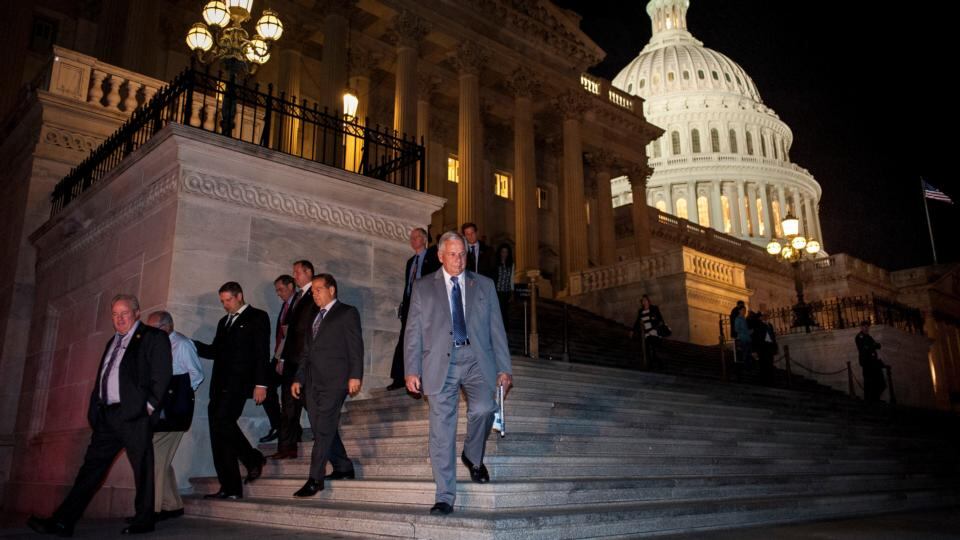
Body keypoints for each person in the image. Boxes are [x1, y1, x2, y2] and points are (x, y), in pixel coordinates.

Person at [27, 294, 172, 536]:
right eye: (115, 314)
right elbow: (104, 376)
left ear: (137, 312)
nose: (119, 318)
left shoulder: (152, 337)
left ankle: (144, 520)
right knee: (90, 471)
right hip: (107, 417)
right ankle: (63, 522)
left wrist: (147, 408)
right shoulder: (112, 342)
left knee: (143, 469)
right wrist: (95, 409)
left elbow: (162, 374)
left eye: (124, 313)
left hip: (135, 416)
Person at [404, 231, 514, 515]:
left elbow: (496, 329)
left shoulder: (484, 285)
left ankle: (472, 455)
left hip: (477, 359)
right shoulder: (423, 287)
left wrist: (504, 367)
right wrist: (411, 369)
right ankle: (444, 495)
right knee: (442, 432)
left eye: (462, 254)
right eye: (452, 254)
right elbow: (413, 331)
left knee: (484, 408)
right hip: (440, 363)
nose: (459, 260)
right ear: (440, 256)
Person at [194, 282, 270, 499]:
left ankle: (253, 458)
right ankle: (230, 487)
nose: (225, 305)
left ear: (240, 296)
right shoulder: (223, 322)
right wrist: (191, 344)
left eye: (228, 300)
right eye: (222, 301)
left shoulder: (258, 316)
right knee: (218, 435)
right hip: (218, 386)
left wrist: (261, 384)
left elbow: (261, 352)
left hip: (239, 385)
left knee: (224, 422)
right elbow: (215, 351)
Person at [290, 273, 364, 497]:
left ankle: (315, 479)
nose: (314, 295)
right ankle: (343, 467)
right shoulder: (314, 315)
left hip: (336, 381)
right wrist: (298, 378)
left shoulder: (347, 312)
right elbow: (306, 352)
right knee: (320, 427)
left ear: (331, 290)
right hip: (313, 382)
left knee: (322, 429)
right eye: (312, 291)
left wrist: (355, 375)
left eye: (318, 290)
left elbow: (355, 346)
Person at [145, 311, 204, 522]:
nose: (151, 332)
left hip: (174, 412)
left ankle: (154, 508)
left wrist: (180, 396)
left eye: (155, 328)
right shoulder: (158, 345)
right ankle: (172, 504)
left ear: (167, 326)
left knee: (156, 460)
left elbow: (196, 374)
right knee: (160, 459)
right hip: (160, 411)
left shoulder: (182, 344)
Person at [273, 260, 317, 459]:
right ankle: (286, 448)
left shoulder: (315, 292)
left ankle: (324, 436)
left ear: (308, 272)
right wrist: (281, 358)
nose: (295, 275)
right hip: (290, 358)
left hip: (305, 357)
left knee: (309, 401)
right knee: (287, 404)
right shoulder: (297, 296)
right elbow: (288, 332)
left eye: (297, 272)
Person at [388, 227, 440, 391]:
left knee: (425, 339)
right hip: (411, 304)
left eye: (417, 237)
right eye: (411, 237)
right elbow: (408, 286)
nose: (413, 240)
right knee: (405, 338)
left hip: (427, 303)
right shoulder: (410, 261)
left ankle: (424, 376)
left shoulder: (433, 257)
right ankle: (399, 377)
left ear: (425, 239)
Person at [260, 274, 296, 443]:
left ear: (291, 287)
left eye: (281, 290)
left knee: (290, 397)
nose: (278, 294)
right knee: (263, 385)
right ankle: (278, 425)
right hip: (278, 355)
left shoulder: (298, 304)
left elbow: (291, 335)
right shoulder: (285, 306)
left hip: (288, 357)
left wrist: (282, 358)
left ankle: (289, 430)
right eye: (276, 291)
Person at [629, 295, 666, 368]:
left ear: (648, 301)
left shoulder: (654, 308)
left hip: (653, 331)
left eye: (645, 300)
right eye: (642, 301)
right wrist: (632, 330)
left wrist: (658, 328)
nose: (644, 302)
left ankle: (658, 362)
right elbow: (637, 321)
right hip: (645, 332)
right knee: (646, 348)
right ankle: (649, 364)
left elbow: (660, 319)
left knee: (653, 347)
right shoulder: (641, 311)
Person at [855, 321, 886, 402]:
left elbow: (877, 346)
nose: (866, 328)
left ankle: (875, 398)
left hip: (873, 362)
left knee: (879, 381)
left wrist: (872, 346)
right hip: (867, 362)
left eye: (867, 326)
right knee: (869, 381)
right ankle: (869, 399)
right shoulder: (859, 337)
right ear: (861, 327)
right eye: (865, 326)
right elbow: (865, 348)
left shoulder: (869, 337)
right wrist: (872, 346)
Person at [752, 311, 777, 385]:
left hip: (769, 346)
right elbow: (755, 338)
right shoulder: (758, 325)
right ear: (761, 317)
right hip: (762, 347)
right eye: (764, 316)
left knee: (770, 364)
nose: (765, 317)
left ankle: (770, 381)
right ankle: (764, 381)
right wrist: (754, 350)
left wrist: (775, 347)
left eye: (766, 316)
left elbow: (773, 337)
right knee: (763, 365)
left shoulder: (770, 325)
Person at [494, 243, 515, 327]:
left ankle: (504, 328)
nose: (504, 254)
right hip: (497, 291)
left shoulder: (511, 265)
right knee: (499, 310)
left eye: (506, 252)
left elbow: (512, 279)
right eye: (503, 252)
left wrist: (512, 292)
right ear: (500, 252)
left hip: (506, 291)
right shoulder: (495, 264)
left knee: (504, 310)